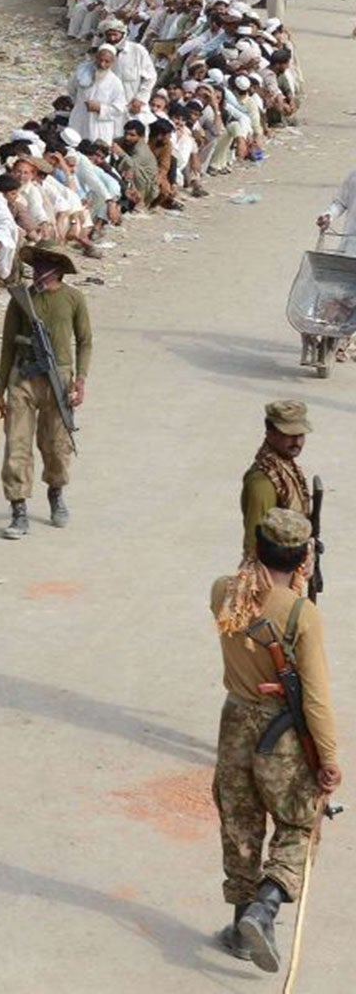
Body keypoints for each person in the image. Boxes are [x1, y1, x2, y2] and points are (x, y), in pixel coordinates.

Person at [211, 508, 340, 973]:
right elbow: (318, 698)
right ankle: (265, 909)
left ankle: (242, 928)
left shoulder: (224, 592)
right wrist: (328, 758)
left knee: (240, 823)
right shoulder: (302, 615)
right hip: (281, 733)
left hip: (234, 725)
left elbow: (250, 598)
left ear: (255, 548)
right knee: (300, 823)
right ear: (304, 557)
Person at [0, 245, 91, 539]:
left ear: (59, 268)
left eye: (47, 263)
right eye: (37, 262)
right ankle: (18, 509)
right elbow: (8, 344)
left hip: (59, 379)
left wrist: (80, 380)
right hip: (23, 377)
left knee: (56, 446)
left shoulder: (73, 298)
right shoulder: (21, 300)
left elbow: (85, 342)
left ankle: (56, 493)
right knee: (16, 446)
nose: (39, 269)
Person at [240, 401, 314, 561]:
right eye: (289, 435)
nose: (297, 442)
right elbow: (255, 541)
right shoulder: (263, 483)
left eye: (300, 435)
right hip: (274, 573)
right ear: (270, 433)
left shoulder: (284, 468)